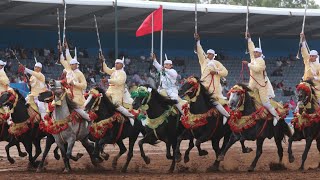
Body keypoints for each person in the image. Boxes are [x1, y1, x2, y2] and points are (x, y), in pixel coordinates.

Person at [242, 32, 278, 126]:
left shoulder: (261, 61)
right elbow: (251, 48)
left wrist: (248, 64)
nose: (254, 53)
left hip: (261, 84)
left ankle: (275, 116)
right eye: (254, 52)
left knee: (265, 102)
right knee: (246, 96)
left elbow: (258, 69)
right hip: (252, 82)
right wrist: (249, 39)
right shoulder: (253, 58)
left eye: (256, 52)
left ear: (260, 53)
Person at [194, 33, 230, 123]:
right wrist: (198, 41)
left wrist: (217, 72)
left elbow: (225, 72)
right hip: (203, 86)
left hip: (215, 88)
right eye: (208, 54)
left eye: (211, 54)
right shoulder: (203, 61)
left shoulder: (217, 63)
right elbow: (200, 52)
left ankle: (226, 115)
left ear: (214, 55)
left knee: (215, 102)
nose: (209, 55)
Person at [100, 54, 135, 126]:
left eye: (118, 63)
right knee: (101, 100)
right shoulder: (113, 71)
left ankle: (130, 115)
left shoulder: (123, 73)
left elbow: (119, 82)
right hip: (109, 90)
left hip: (118, 92)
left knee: (116, 104)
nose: (116, 64)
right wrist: (103, 61)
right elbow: (105, 69)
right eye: (115, 63)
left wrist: (108, 80)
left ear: (122, 65)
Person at [60, 45, 90, 121]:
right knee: (56, 103)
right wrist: (62, 51)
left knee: (77, 108)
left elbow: (84, 85)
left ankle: (89, 120)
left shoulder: (80, 73)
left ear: (77, 65)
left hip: (77, 95)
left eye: (75, 64)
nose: (73, 65)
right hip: (67, 93)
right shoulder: (68, 70)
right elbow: (62, 60)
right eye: (72, 64)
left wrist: (75, 84)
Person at [300, 33, 320, 104]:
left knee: (318, 100)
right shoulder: (307, 61)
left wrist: (314, 78)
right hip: (305, 83)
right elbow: (304, 50)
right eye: (310, 55)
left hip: (315, 85)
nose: (310, 57)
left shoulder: (319, 66)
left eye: (312, 56)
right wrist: (303, 39)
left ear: (316, 57)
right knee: (300, 96)